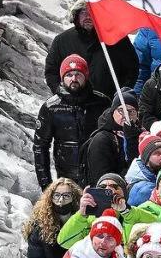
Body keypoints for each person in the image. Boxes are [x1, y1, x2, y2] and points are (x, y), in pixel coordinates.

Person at [34, 54, 111, 190]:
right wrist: (46, 184)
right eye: (69, 75)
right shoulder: (51, 107)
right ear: (62, 78)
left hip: (98, 172)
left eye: (78, 74)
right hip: (67, 176)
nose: (74, 79)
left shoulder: (102, 103)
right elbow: (40, 146)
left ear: (86, 77)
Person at [44, 0, 138, 99]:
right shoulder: (62, 40)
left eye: (93, 12)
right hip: (71, 104)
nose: (88, 16)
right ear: (76, 15)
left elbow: (131, 71)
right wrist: (61, 92)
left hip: (106, 105)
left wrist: (119, 96)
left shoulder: (117, 40)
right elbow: (51, 72)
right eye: (83, 12)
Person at [24, 178, 83, 258]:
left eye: (66, 195)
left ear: (74, 197)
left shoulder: (83, 222)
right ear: (50, 197)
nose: (61, 200)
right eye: (57, 195)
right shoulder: (39, 228)